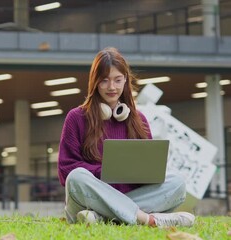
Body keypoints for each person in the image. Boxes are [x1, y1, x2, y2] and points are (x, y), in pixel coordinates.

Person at [57, 47, 195, 227]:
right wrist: (105, 172)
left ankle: (101, 218)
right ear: (95, 83)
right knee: (77, 177)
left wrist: (143, 174)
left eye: (117, 80)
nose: (112, 87)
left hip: (127, 198)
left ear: (125, 81)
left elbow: (150, 168)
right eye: (104, 81)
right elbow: (66, 170)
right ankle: (148, 219)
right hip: (88, 199)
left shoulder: (139, 120)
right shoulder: (76, 117)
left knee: (177, 183)